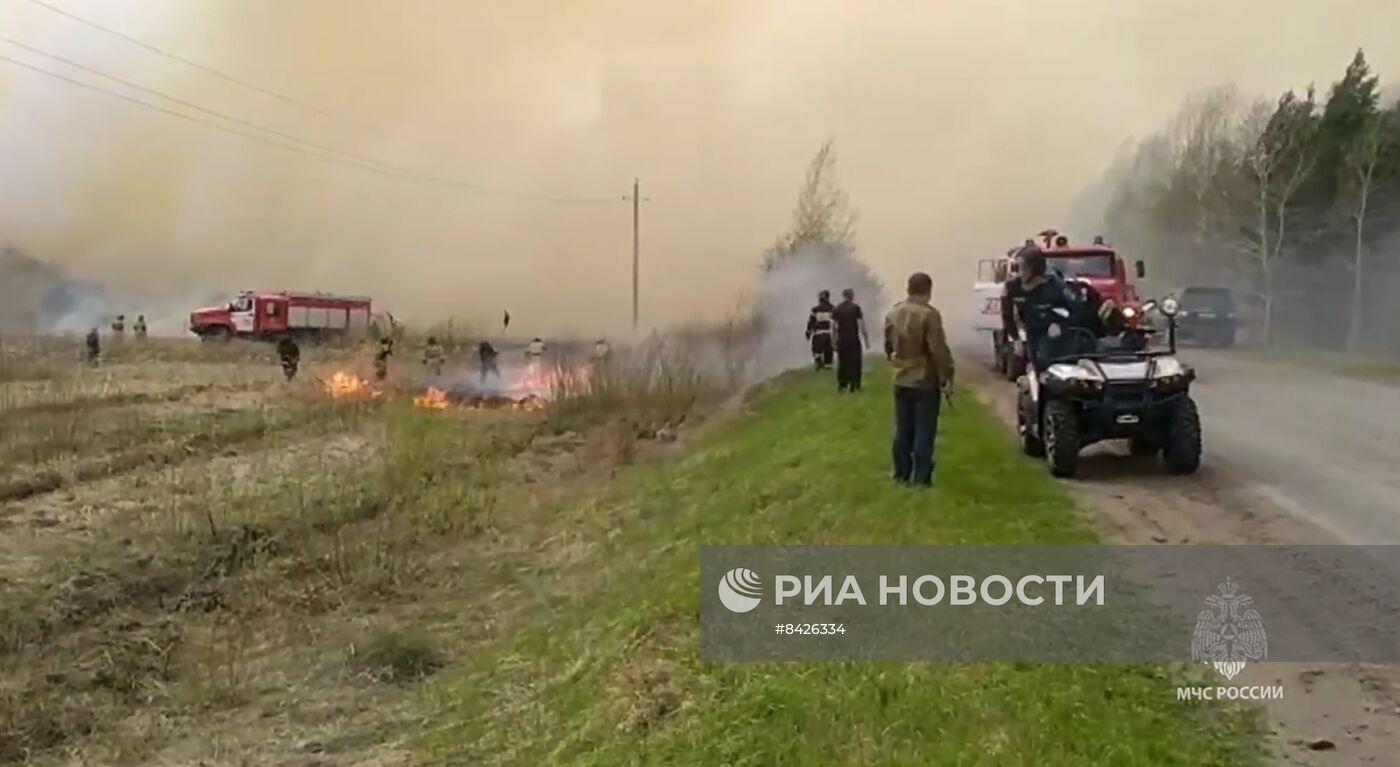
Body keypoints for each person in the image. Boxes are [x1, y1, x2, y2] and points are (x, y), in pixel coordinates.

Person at [884, 272, 955, 487]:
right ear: (928, 290)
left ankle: (900, 474)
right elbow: (937, 349)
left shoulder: (893, 312)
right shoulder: (929, 315)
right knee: (924, 431)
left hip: (900, 378)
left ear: (908, 289)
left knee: (902, 430)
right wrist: (947, 374)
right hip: (924, 380)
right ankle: (921, 478)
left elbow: (887, 346)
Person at [1000, 246, 1079, 370]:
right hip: (1031, 329)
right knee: (1034, 361)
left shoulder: (1055, 286)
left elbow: (1075, 310)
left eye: (1024, 268)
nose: (1020, 273)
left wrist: (1061, 325)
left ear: (1035, 269)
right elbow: (1006, 314)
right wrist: (1016, 339)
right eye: (1018, 267)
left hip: (1052, 330)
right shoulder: (1012, 287)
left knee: (1046, 357)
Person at [832, 288, 869, 392]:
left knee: (843, 361)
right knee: (855, 361)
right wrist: (866, 340)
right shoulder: (856, 308)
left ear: (843, 296)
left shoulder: (837, 309)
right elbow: (862, 325)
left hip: (842, 339)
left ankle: (842, 384)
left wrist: (833, 341)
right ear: (852, 296)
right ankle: (854, 384)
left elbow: (834, 327)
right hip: (853, 338)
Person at [805, 290, 836, 371]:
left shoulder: (815, 309)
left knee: (816, 350)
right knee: (828, 352)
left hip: (818, 335)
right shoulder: (833, 309)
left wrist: (808, 332)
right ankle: (827, 365)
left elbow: (811, 322)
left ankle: (819, 363)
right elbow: (836, 323)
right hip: (829, 335)